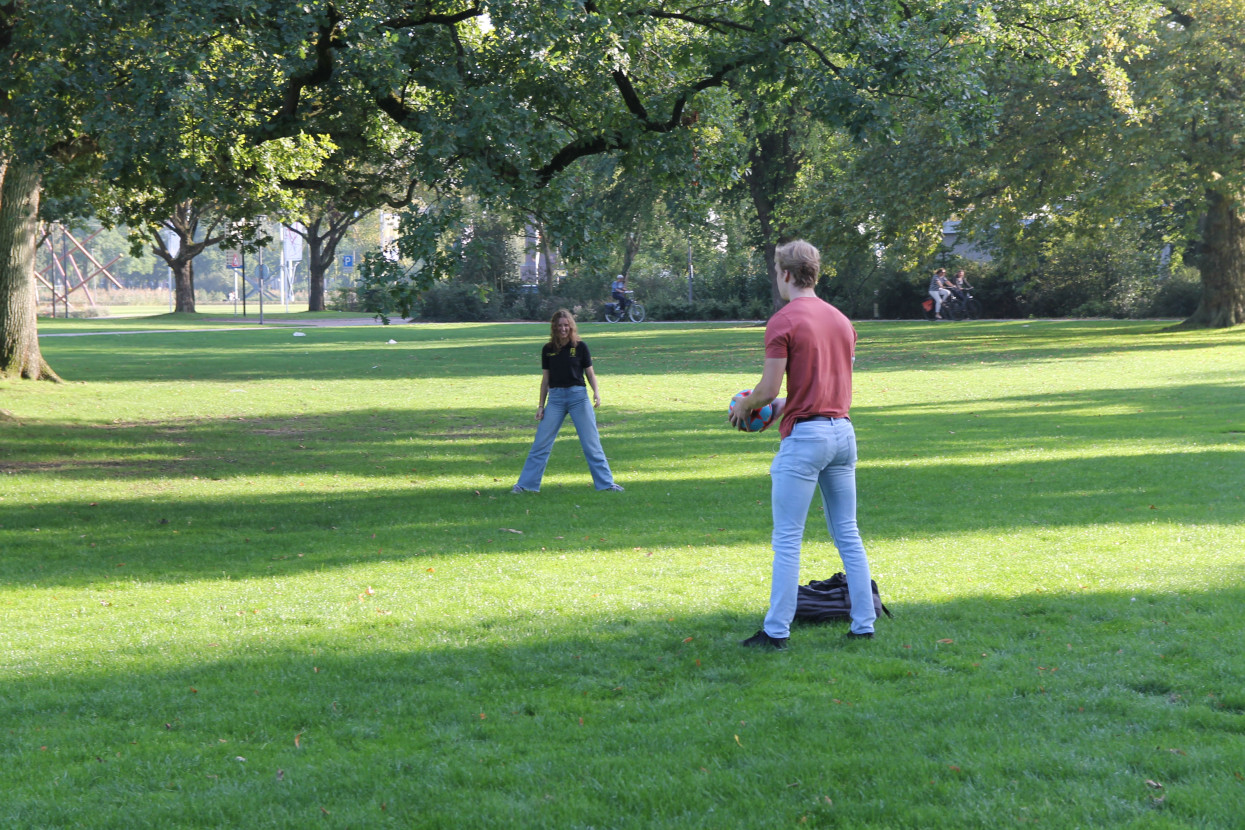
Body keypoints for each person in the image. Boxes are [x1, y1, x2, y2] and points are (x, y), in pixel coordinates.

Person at [730, 240, 876, 649]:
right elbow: (823, 382)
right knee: (848, 533)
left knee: (788, 539)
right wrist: (780, 404)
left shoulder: (783, 320)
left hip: (806, 439)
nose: (778, 278)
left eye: (778, 271)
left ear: (788, 274)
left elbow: (768, 387)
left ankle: (776, 632)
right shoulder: (842, 321)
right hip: (842, 432)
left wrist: (748, 405)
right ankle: (864, 623)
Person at [513, 309, 624, 493]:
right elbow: (545, 380)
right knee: (541, 443)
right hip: (555, 398)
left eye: (566, 325)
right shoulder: (548, 350)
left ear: (571, 326)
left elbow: (590, 372)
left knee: (591, 443)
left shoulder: (580, 347)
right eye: (559, 326)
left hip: (578, 397)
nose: (563, 329)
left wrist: (596, 393)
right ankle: (526, 485)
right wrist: (541, 405)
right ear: (554, 328)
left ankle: (606, 484)